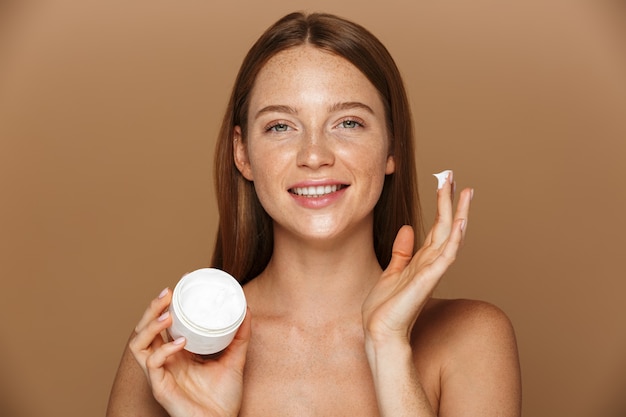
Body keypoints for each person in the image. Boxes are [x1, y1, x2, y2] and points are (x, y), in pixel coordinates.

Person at [106, 11, 521, 417]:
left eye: (348, 123)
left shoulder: (472, 337)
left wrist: (388, 346)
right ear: (242, 153)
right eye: (281, 127)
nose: (314, 156)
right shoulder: (171, 348)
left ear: (391, 146)